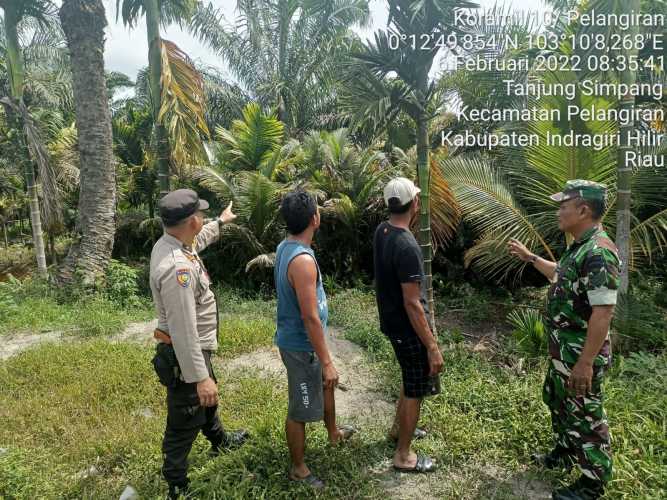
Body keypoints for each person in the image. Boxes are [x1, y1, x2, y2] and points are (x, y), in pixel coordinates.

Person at [508, 180, 619, 500]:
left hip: (579, 354)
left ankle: (592, 482)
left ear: (583, 209)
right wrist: (531, 258)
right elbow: (560, 274)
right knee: (558, 401)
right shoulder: (580, 246)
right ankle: (566, 451)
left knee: (586, 413)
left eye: (563, 205)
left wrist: (585, 363)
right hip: (563, 351)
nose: (558, 211)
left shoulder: (598, 252)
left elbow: (603, 312)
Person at [149, 189, 248, 499]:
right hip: (186, 356)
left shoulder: (172, 243)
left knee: (207, 401)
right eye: (202, 215)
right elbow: (183, 332)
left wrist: (220, 221)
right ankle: (177, 485)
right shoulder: (177, 269)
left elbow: (199, 240)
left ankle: (220, 442)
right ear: (192, 220)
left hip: (194, 353)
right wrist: (200, 376)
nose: (203, 219)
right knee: (184, 418)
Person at [274, 190, 356, 489]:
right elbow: (309, 317)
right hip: (301, 346)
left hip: (307, 342)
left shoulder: (287, 246)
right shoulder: (302, 261)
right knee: (300, 408)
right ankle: (298, 468)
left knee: (327, 385)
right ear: (315, 219)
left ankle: (333, 433)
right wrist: (326, 360)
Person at [373, 177, 444, 474]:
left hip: (392, 323)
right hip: (408, 329)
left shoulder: (382, 230)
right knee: (415, 388)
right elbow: (413, 303)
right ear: (415, 204)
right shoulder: (407, 245)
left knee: (408, 376)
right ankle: (404, 455)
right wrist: (432, 346)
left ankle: (396, 431)